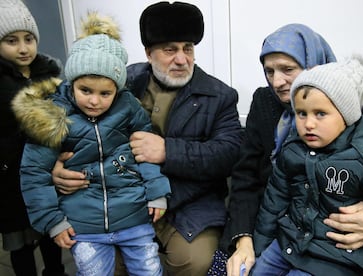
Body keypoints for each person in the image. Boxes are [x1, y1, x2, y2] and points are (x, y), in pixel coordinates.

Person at [50, 2, 243, 275]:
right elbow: (64, 121)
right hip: (120, 201)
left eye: (187, 48)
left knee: (195, 261)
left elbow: (230, 153)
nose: (181, 59)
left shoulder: (219, 95)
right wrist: (58, 168)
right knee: (108, 263)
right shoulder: (119, 82)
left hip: (188, 204)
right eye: (169, 49)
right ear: (148, 53)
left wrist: (168, 151)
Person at [219, 24, 363, 276]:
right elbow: (246, 177)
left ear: (314, 66)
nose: (277, 81)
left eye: (288, 69)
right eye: (269, 71)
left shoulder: (353, 103)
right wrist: (244, 239)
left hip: (330, 240)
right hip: (270, 226)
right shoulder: (264, 101)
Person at [12, 12, 171, 276]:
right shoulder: (53, 116)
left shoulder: (129, 108)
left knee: (150, 271)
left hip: (134, 217)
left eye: (105, 93)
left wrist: (157, 192)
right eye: (85, 90)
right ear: (72, 82)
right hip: (83, 226)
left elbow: (146, 154)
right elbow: (33, 174)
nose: (94, 101)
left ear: (117, 90)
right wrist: (53, 221)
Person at [251, 55, 363, 276]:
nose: (308, 124)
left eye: (320, 114)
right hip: (289, 243)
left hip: (335, 257)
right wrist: (259, 249)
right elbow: (274, 202)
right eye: (301, 113)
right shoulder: (292, 148)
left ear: (346, 115)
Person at [0, 0, 67, 275]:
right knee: (20, 243)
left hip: (46, 170)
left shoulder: (49, 73)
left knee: (50, 230)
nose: (23, 47)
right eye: (11, 40)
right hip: (10, 175)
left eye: (28, 39)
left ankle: (56, 271)